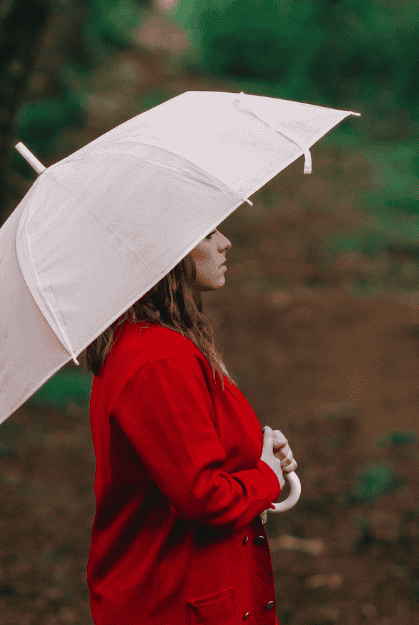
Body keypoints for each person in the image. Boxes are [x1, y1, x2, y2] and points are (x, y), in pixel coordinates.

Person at [82, 228, 298, 624]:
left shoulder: (150, 344)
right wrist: (265, 478)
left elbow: (182, 452)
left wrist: (256, 451)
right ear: (169, 255)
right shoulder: (160, 362)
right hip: (175, 600)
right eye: (208, 233)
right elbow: (202, 493)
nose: (225, 242)